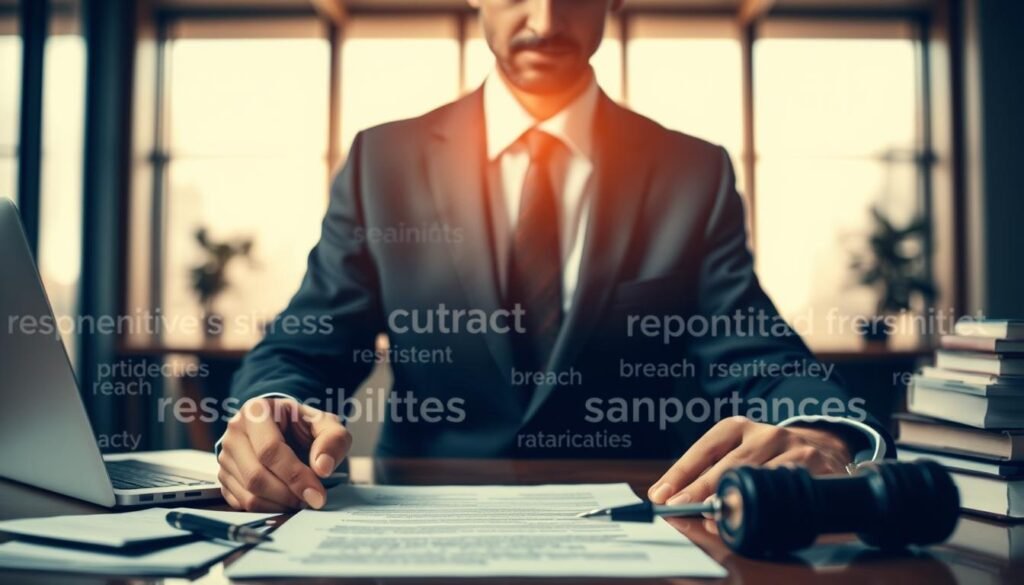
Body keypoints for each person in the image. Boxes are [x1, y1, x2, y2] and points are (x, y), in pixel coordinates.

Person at [215, 0, 893, 512]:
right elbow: (305, 346)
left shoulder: (692, 173)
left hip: (640, 519)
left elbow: (756, 351)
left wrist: (821, 430)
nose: (542, 18)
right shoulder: (381, 163)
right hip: (423, 521)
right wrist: (271, 413)